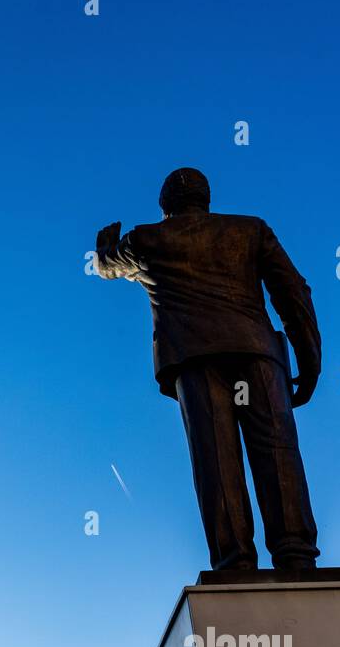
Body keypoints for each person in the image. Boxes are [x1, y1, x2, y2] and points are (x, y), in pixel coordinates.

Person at [95, 167, 321, 571]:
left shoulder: (147, 239)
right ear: (206, 199)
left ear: (164, 205)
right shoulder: (250, 230)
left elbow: (110, 265)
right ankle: (296, 554)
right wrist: (309, 359)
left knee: (214, 457)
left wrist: (102, 252)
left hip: (196, 358)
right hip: (257, 354)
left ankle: (234, 563)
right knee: (278, 450)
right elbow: (293, 292)